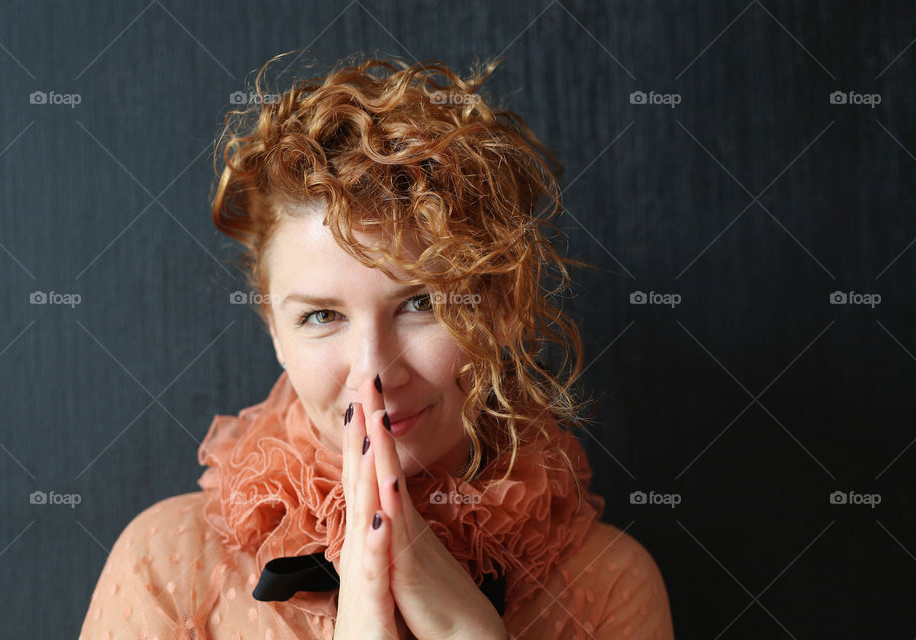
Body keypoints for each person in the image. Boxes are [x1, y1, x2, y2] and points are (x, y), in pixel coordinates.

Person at [79, 51, 674, 640]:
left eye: (421, 304)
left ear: (498, 309)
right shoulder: (165, 565)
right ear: (273, 330)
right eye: (320, 316)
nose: (373, 372)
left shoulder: (606, 584)